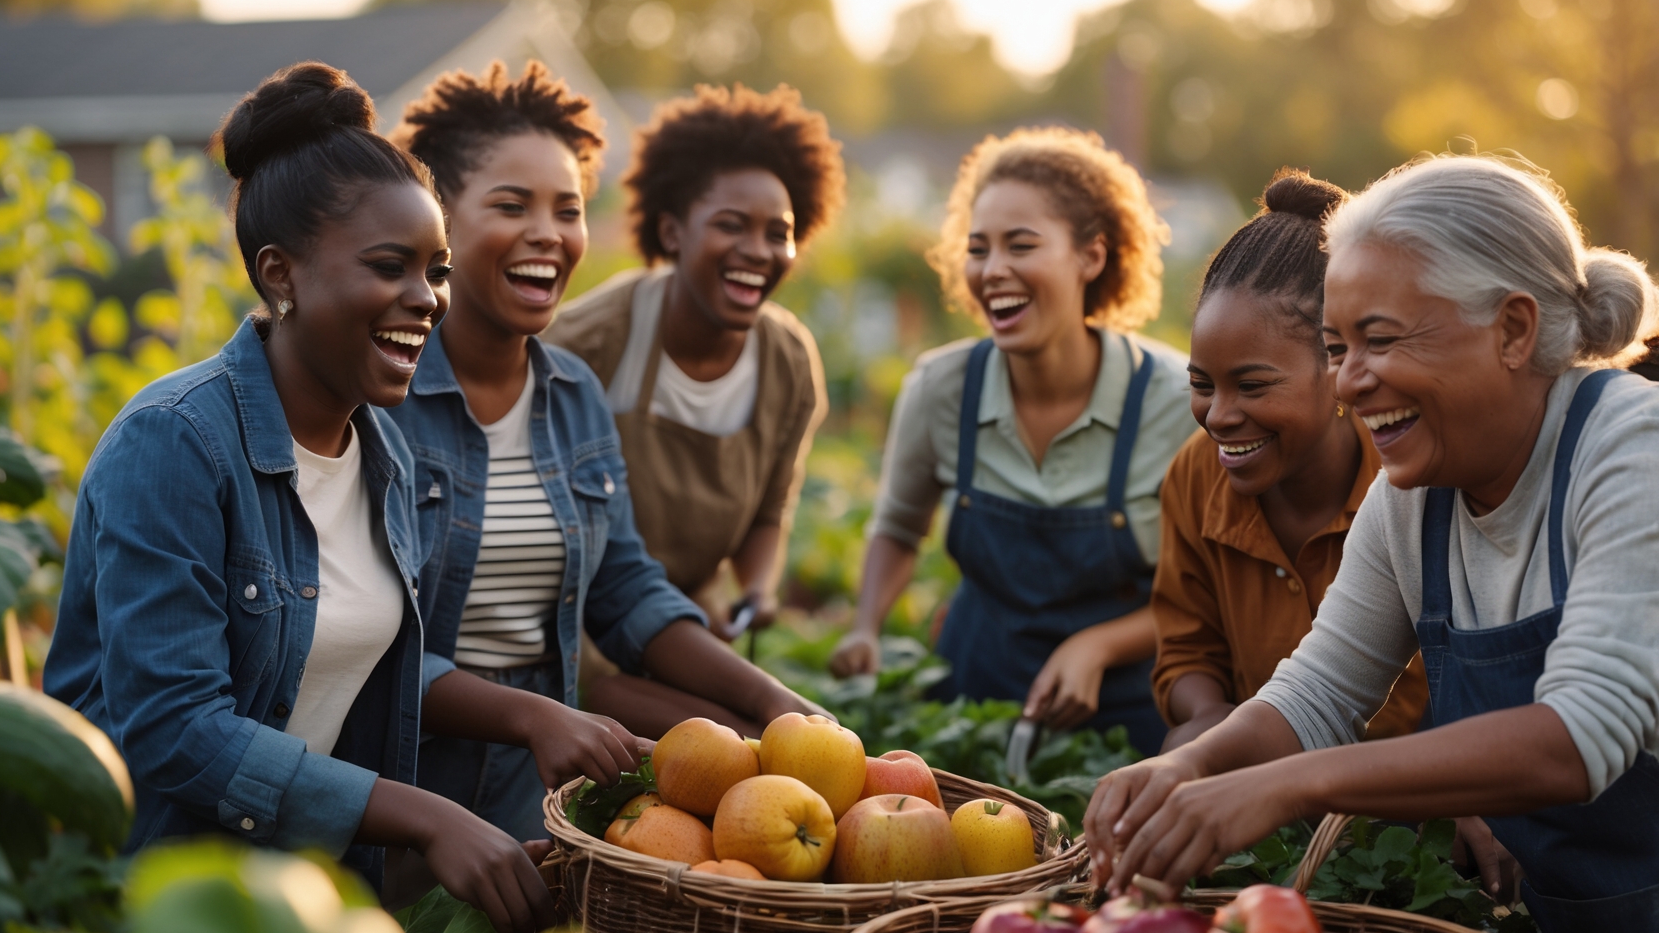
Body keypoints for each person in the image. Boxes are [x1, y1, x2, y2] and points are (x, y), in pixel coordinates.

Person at [1085, 154, 1659, 933]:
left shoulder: (1630, 448)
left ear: (1513, 329)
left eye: (1380, 341)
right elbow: (1317, 694)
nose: (1351, 382)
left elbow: (1581, 733)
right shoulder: (1416, 493)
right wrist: (1188, 769)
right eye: (1337, 348)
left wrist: (1286, 786)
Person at [45, 62, 557, 933]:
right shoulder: (173, 443)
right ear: (280, 275)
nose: (426, 300)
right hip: (156, 911)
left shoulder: (382, 456)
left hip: (303, 910)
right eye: (389, 267)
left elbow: (346, 654)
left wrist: (537, 717)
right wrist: (424, 815)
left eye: (434, 271)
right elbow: (174, 727)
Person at [386, 63, 821, 839]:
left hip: (542, 775)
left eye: (568, 209)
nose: (547, 234)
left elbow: (625, 589)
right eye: (512, 206)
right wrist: (535, 716)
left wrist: (776, 702)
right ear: (439, 217)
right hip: (408, 769)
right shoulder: (385, 393)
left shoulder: (573, 395)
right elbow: (363, 648)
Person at [830, 127, 1198, 756]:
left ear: (1092, 256)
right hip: (972, 709)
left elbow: (1208, 590)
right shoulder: (941, 389)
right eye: (978, 249)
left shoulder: (1175, 401)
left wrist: (1097, 645)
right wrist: (866, 624)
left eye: (1021, 245)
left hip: (1130, 723)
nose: (993, 270)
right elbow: (897, 527)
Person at [545, 82, 841, 736]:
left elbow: (770, 509)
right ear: (674, 230)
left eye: (779, 234)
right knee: (739, 741)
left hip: (693, 620)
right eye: (731, 226)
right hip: (582, 626)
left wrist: (757, 589)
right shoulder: (590, 344)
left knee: (758, 738)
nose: (758, 251)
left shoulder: (787, 361)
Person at [1156, 169, 1428, 752]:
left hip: (1417, 798)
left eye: (1252, 387)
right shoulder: (1195, 475)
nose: (1219, 415)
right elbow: (1186, 648)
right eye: (1202, 384)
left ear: (1336, 369)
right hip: (1256, 774)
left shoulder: (1412, 476)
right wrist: (1210, 717)